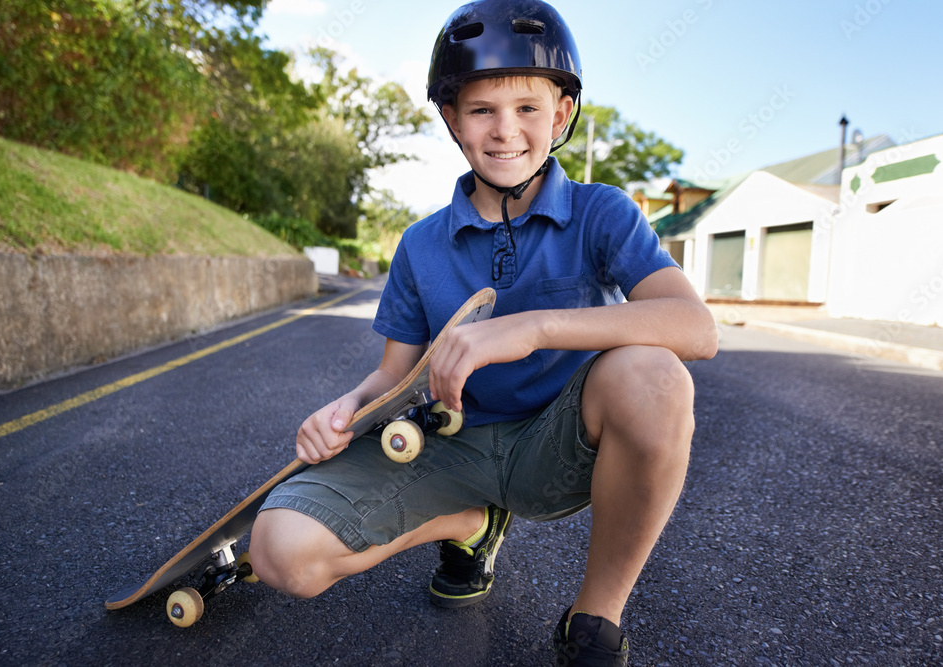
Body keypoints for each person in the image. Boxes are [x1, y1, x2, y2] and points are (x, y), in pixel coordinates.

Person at [249, 1, 718, 664]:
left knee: (657, 375)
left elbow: (696, 327)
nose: (505, 131)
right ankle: (469, 522)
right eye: (481, 110)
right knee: (280, 552)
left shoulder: (601, 212)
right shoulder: (418, 244)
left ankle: (594, 619)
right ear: (452, 120)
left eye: (527, 108)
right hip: (449, 446)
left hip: (556, 448)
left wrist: (530, 328)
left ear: (560, 114)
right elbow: (394, 374)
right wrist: (347, 408)